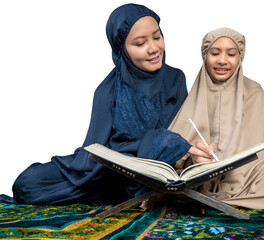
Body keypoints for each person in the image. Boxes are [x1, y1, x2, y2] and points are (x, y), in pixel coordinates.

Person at [2, 4, 194, 205]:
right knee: (27, 184)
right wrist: (152, 142)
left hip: (158, 169)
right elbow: (96, 151)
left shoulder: (176, 79)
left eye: (157, 37)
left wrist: (169, 144)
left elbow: (180, 131)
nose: (154, 48)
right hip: (110, 172)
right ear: (122, 51)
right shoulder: (108, 90)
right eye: (140, 43)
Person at [169, 27, 264, 209]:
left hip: (251, 178)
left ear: (240, 57)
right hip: (204, 181)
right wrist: (193, 157)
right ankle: (229, 200)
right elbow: (174, 157)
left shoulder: (254, 91)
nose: (222, 60)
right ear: (205, 56)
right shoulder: (192, 96)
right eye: (215, 53)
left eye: (231, 54)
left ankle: (232, 199)